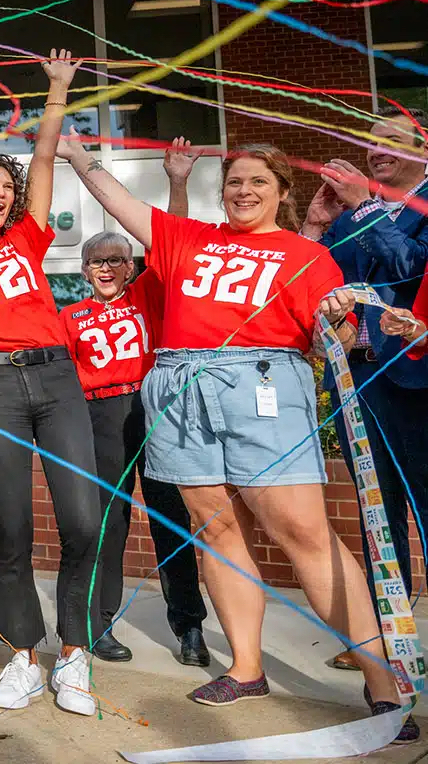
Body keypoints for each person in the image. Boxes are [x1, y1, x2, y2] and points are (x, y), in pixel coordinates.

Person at [58, 136, 418, 742]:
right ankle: (247, 669)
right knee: (217, 532)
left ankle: (383, 683)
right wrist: (75, 155)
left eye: (258, 183)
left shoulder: (305, 254)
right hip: (178, 386)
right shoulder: (187, 239)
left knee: (303, 531)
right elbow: (115, 198)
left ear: (282, 192)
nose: (244, 192)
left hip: (264, 386)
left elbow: (339, 329)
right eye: (234, 182)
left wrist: (345, 318)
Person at [0, 51, 103, 717]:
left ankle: (75, 656)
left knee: (83, 521)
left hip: (57, 378)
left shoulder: (28, 238)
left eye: (5, 185)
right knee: (11, 527)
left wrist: (57, 90)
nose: (2, 191)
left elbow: (40, 163)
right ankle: (24, 659)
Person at [300, 109, 428, 672]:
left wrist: (366, 205)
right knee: (378, 511)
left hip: (416, 380)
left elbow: (410, 263)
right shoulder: (351, 216)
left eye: (391, 141)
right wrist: (313, 229)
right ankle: (387, 637)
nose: (375, 149)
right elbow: (319, 281)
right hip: (357, 381)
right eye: (367, 141)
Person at [60, 228, 210, 668]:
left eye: (115, 261)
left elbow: (169, 244)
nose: (106, 269)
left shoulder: (145, 294)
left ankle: (189, 626)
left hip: (153, 406)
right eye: (96, 262)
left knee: (170, 517)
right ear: (85, 270)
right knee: (109, 521)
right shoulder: (70, 316)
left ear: (131, 267)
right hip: (101, 416)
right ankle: (99, 623)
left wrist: (177, 182)